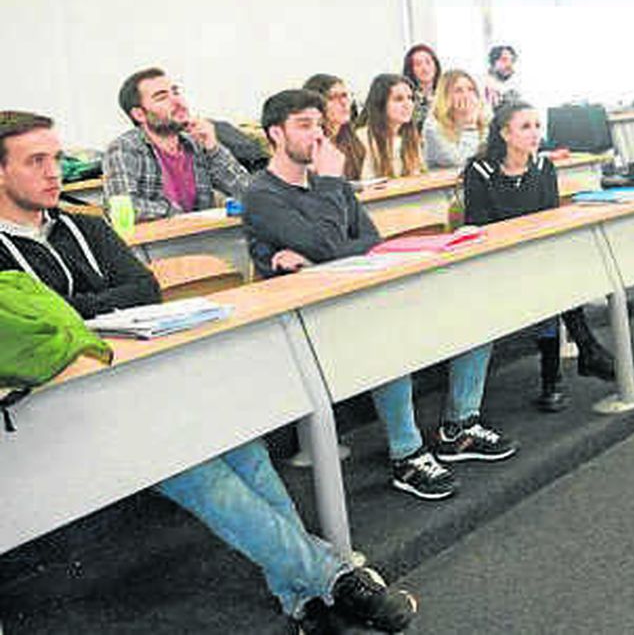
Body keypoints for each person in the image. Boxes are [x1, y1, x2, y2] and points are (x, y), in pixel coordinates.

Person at [0, 110, 416, 634]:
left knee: (245, 449)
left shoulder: (84, 223)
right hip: (71, 410)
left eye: (56, 158)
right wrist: (86, 309)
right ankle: (333, 577)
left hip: (144, 379)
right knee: (199, 471)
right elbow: (47, 325)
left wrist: (80, 310)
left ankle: (300, 595)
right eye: (36, 161)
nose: (54, 172)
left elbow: (142, 289)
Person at [243, 90, 516, 502]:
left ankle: (459, 426)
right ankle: (406, 455)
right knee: (387, 336)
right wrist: (331, 203)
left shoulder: (327, 185)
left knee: (474, 315)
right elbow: (332, 241)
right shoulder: (262, 194)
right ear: (274, 134)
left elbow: (367, 239)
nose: (317, 136)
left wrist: (320, 252)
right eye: (304, 125)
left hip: (356, 290)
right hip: (308, 315)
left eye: (319, 125)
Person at [461, 101, 617, 412]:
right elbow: (479, 225)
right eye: (525, 127)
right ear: (505, 133)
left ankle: (558, 375)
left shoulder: (544, 167)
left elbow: (550, 219)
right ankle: (578, 355)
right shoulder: (479, 171)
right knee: (552, 278)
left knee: (552, 276)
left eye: (537, 126)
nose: (535, 134)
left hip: (536, 257)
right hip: (495, 259)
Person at [103, 67, 251, 222]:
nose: (177, 101)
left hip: (204, 238)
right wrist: (174, 212)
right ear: (139, 114)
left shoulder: (195, 142)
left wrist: (213, 149)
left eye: (176, 92)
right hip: (155, 243)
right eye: (161, 97)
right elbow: (121, 207)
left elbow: (251, 194)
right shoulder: (124, 148)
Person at [357, 74, 424, 180]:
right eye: (399, 99)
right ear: (381, 104)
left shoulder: (411, 136)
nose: (408, 105)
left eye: (410, 98)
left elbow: (418, 176)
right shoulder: (362, 138)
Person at [302, 73, 363, 180]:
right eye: (333, 97)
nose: (344, 102)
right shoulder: (309, 145)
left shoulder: (353, 141)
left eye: (345, 96)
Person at [423, 69, 486, 170]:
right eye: (458, 90)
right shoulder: (432, 126)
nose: (466, 95)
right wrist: (470, 125)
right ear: (445, 95)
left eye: (471, 89)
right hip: (445, 184)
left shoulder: (485, 122)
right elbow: (459, 161)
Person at [401, 44, 443, 129]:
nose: (424, 68)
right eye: (418, 64)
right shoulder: (407, 98)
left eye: (428, 62)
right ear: (411, 69)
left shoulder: (445, 92)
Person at [482, 44, 521, 111]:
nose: (509, 65)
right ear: (493, 62)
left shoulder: (514, 86)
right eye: (504, 60)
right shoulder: (483, 85)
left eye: (512, 61)